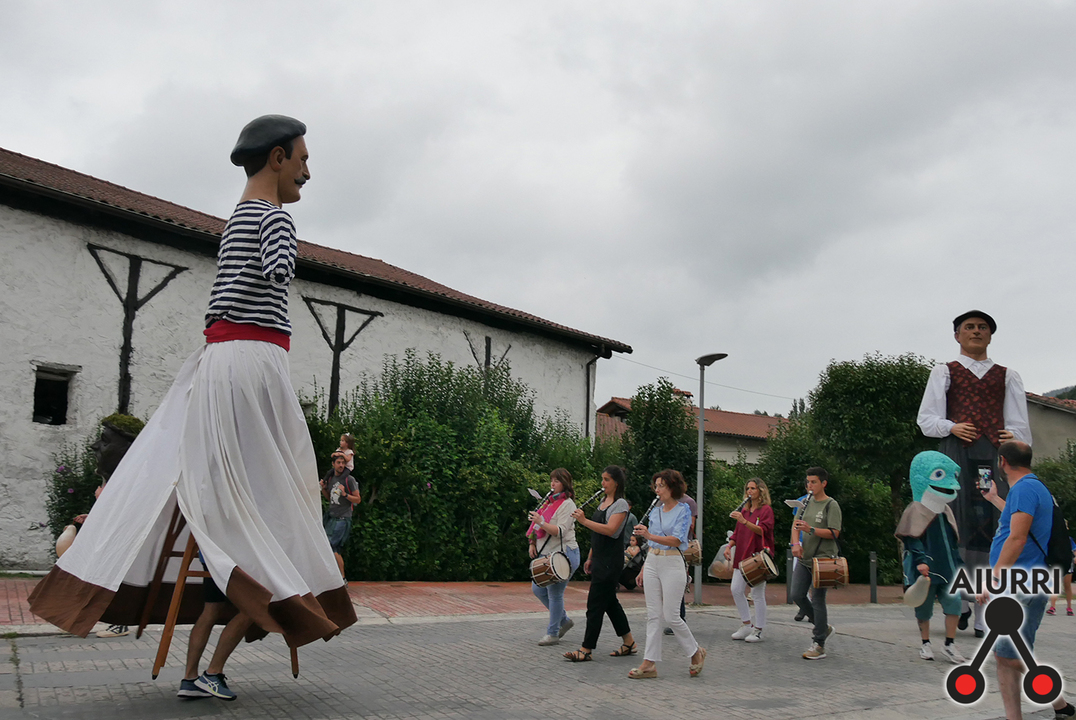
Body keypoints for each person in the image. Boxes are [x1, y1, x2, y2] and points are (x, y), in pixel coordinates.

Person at [28, 116, 357, 702]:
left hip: (218, 361)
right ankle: (282, 594)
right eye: (303, 159)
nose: (308, 171)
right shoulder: (276, 218)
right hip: (254, 357)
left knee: (228, 471)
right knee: (281, 475)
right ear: (277, 157)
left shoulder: (236, 219)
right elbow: (280, 273)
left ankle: (203, 654)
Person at [918, 310, 1031, 638]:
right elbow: (926, 420)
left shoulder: (1007, 376)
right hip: (955, 456)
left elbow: (1021, 426)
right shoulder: (944, 371)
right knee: (956, 525)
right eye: (969, 327)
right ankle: (961, 603)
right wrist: (951, 426)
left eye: (983, 327)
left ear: (990, 335)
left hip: (992, 458)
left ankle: (983, 614)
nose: (976, 331)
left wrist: (1013, 435)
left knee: (991, 528)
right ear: (957, 335)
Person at [979, 441, 1073, 720]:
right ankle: (1035, 713)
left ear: (1002, 461)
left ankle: (1062, 703)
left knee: (1009, 655)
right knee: (1004, 655)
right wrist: (994, 499)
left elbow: (1018, 537)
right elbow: (1020, 522)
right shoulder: (1032, 488)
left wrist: (993, 577)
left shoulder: (1024, 489)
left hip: (1022, 584)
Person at [627, 470, 707, 679]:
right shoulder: (655, 511)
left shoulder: (683, 510)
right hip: (653, 561)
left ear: (672, 487)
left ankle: (695, 651)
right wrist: (644, 567)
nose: (657, 490)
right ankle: (649, 663)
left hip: (672, 562)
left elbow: (677, 539)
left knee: (672, 616)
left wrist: (648, 534)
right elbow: (651, 544)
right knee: (653, 614)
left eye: (661, 485)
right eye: (656, 485)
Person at [894, 451, 966, 664]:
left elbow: (952, 542)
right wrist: (921, 561)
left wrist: (959, 564)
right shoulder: (915, 510)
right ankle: (925, 643)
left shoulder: (946, 512)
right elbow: (911, 539)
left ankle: (950, 644)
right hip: (926, 570)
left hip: (948, 568)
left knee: (955, 604)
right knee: (923, 608)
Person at [564, 466, 637, 662]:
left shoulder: (620, 504)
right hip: (599, 559)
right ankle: (629, 642)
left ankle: (586, 649)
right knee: (610, 603)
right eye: (602, 479)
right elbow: (597, 535)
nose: (602, 483)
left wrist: (583, 520)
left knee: (595, 604)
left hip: (610, 561)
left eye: (606, 479)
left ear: (616, 483)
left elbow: (610, 530)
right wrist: (590, 557)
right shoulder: (603, 502)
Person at [791, 467, 841, 660]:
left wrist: (811, 529)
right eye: (808, 482)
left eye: (813, 482)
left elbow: (835, 532)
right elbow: (795, 525)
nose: (809, 486)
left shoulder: (831, 505)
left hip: (823, 559)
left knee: (818, 599)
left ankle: (819, 643)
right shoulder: (804, 502)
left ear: (823, 483)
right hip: (805, 557)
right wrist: (796, 544)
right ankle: (822, 627)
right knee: (797, 594)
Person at [527, 468, 580, 645]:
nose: (552, 484)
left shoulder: (568, 505)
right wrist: (532, 542)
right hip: (547, 553)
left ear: (564, 484)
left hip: (564, 553)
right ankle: (564, 620)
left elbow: (560, 531)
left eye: (556, 481)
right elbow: (536, 527)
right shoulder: (548, 502)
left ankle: (553, 633)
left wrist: (541, 521)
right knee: (538, 589)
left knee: (555, 593)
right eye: (552, 480)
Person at [725, 478, 775, 643]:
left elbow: (764, 531)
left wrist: (744, 521)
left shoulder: (766, 510)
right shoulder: (745, 510)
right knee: (736, 589)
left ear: (761, 491)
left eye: (753, 488)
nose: (749, 491)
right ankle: (746, 624)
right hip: (742, 554)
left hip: (758, 556)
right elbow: (737, 533)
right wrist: (729, 546)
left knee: (757, 594)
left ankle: (758, 629)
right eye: (748, 488)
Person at [321, 455, 361, 579]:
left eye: (343, 463)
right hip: (331, 517)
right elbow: (330, 499)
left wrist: (345, 494)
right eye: (338, 462)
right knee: (330, 547)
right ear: (333, 464)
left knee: (331, 546)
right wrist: (323, 489)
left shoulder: (349, 480)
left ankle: (341, 577)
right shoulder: (331, 479)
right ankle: (336, 577)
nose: (341, 465)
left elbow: (358, 499)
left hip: (342, 518)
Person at [1046, 537, 1075, 616]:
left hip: (1067, 562)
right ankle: (1053, 607)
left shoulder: (1068, 539)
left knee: (1067, 585)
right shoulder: (1053, 537)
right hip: (1057, 563)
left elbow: (1074, 550)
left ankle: (1069, 607)